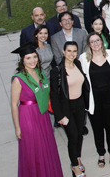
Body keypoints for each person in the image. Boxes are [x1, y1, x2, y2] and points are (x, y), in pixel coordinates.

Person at [10, 42, 63, 177]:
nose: (32, 60)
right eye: (28, 58)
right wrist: (17, 127)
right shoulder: (18, 79)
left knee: (46, 146)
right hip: (28, 116)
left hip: (42, 114)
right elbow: (14, 104)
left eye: (34, 57)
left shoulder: (40, 73)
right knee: (34, 148)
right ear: (22, 60)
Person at [50, 41, 90, 177]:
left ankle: (77, 157)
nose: (72, 54)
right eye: (69, 51)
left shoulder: (77, 65)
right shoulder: (56, 71)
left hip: (80, 105)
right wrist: (59, 116)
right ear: (63, 51)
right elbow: (54, 96)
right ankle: (74, 166)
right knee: (72, 137)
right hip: (66, 108)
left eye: (74, 51)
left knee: (79, 135)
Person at [79, 33, 110, 168]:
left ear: (102, 42)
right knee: (97, 129)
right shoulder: (83, 58)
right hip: (93, 100)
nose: (95, 44)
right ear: (89, 44)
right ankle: (101, 154)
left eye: (97, 40)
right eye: (92, 42)